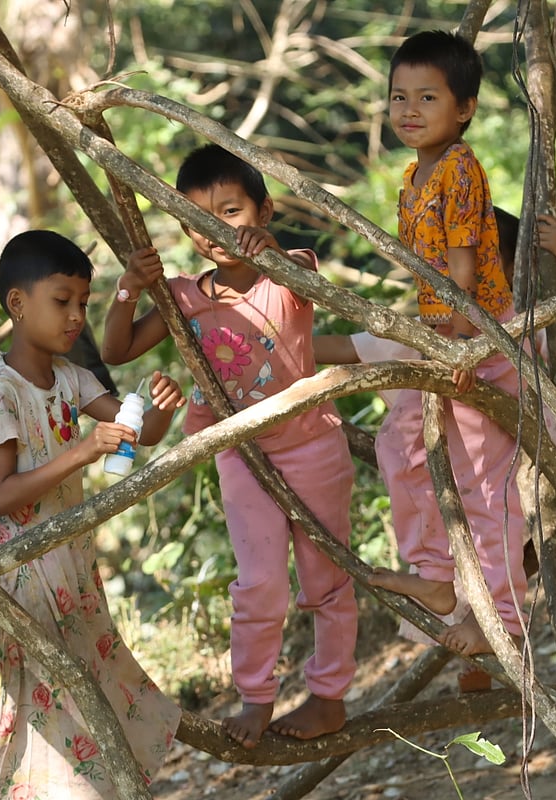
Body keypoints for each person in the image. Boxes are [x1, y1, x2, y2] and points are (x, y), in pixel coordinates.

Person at [102, 144, 358, 749]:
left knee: (327, 577)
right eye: (195, 220)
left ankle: (328, 698)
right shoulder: (183, 295)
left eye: (232, 212)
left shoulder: (290, 272)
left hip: (311, 446)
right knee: (260, 582)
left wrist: (271, 253)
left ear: (264, 211)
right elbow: (116, 352)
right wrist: (128, 290)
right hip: (239, 454)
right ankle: (257, 697)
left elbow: (301, 272)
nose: (214, 230)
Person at [314, 209, 556, 682]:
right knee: (398, 451)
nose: (465, 282)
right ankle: (442, 587)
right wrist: (268, 347)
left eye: (483, 268)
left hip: (518, 462)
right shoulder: (432, 332)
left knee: (492, 515)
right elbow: (344, 348)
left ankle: (501, 623)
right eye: (448, 269)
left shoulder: (515, 326)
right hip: (452, 482)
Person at [0, 229, 187, 799]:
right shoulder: (2, 394)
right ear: (17, 303)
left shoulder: (72, 379)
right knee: (50, 689)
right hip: (26, 570)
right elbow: (3, 496)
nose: (74, 317)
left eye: (83, 304)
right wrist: (84, 450)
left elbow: (133, 435)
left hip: (71, 562)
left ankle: (97, 787)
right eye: (61, 301)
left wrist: (156, 411)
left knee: (87, 675)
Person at [350, 29, 530, 664]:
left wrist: (455, 347)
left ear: (465, 109)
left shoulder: (458, 169)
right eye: (399, 96)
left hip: (475, 334)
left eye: (428, 98)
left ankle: (502, 619)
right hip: (441, 335)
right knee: (402, 448)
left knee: (485, 487)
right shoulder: (413, 172)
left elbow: (459, 268)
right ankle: (436, 576)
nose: (409, 111)